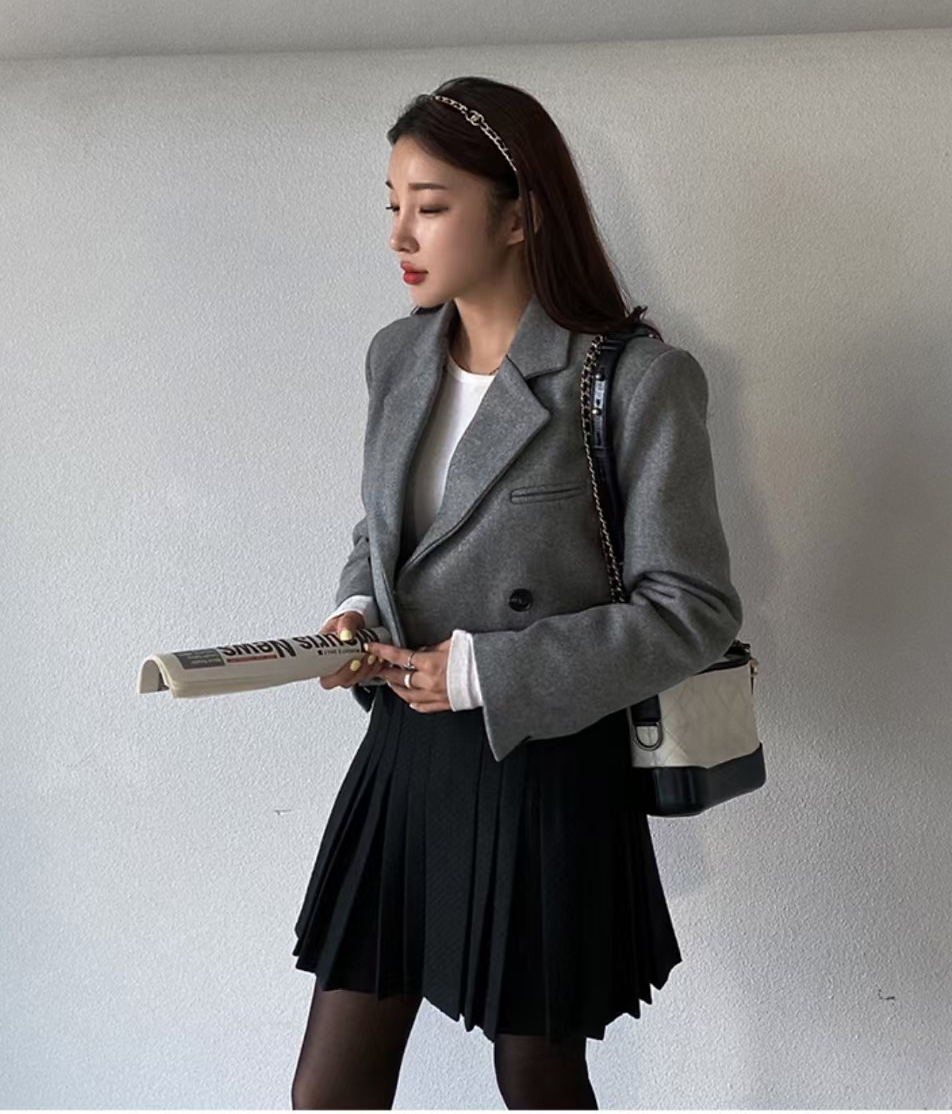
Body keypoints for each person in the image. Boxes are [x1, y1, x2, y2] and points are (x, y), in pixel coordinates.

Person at [290, 78, 744, 1109]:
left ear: (518, 215)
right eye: (393, 203)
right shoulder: (396, 355)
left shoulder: (630, 380)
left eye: (432, 205)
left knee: (535, 1073)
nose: (400, 234)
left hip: (539, 757)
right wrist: (355, 613)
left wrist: (484, 671)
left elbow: (692, 605)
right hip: (403, 753)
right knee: (328, 1090)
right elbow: (385, 532)